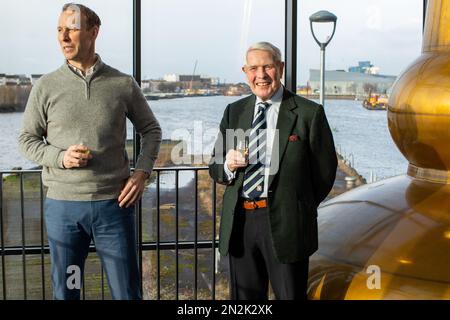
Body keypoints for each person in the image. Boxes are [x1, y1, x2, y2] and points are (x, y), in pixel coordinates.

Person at [18, 3, 161, 300]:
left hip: (114, 208)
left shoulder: (122, 83)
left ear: (94, 32)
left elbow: (152, 130)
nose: (63, 37)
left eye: (71, 28)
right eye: (59, 29)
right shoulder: (45, 86)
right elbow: (27, 140)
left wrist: (141, 173)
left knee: (126, 292)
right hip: (63, 210)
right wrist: (60, 157)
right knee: (68, 291)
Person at [209, 42, 337, 300]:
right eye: (253, 68)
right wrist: (227, 164)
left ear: (280, 67)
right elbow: (215, 165)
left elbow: (325, 171)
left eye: (267, 66)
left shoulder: (308, 113)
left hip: (287, 224)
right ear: (245, 72)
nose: (261, 75)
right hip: (241, 224)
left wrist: (299, 206)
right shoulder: (235, 112)